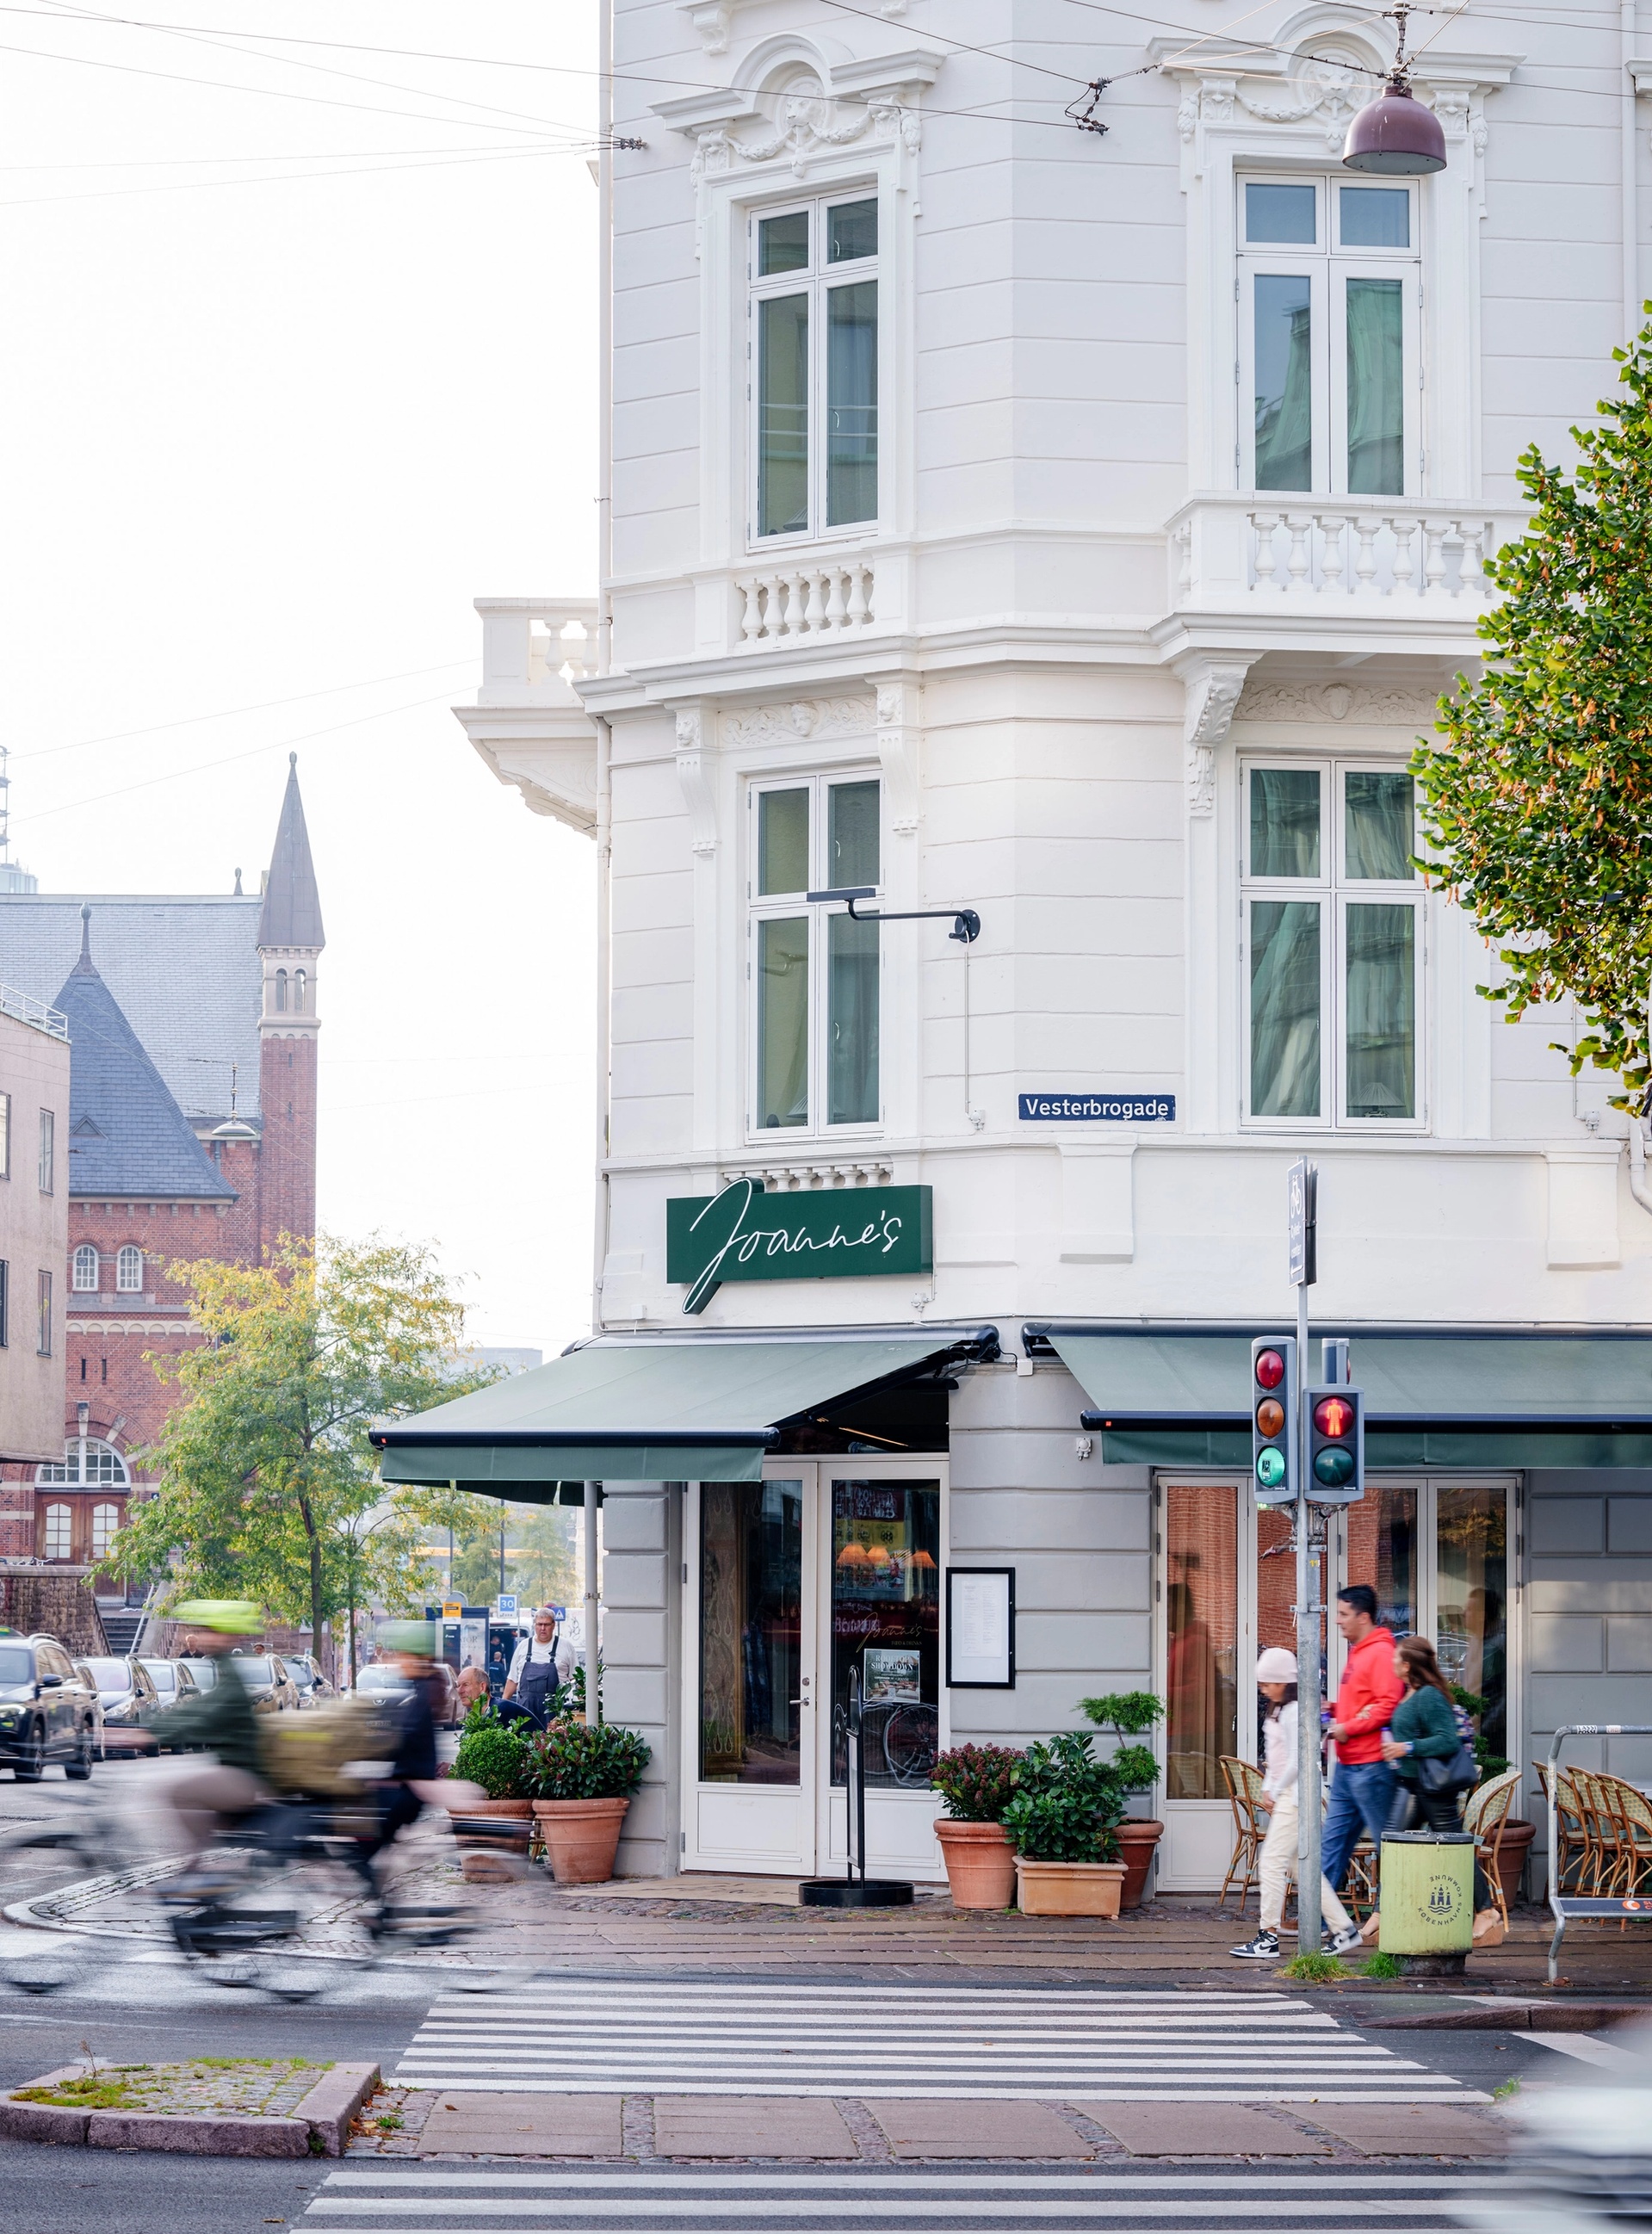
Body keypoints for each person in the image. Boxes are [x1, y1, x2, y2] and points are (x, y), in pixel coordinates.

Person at [1231, 1649, 1363, 1961]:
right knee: (1301, 1868)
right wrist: (1268, 1786)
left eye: (1268, 1682)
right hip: (1290, 1795)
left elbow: (1299, 1758)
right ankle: (1344, 1929)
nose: (1263, 1687)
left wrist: (1273, 1788)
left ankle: (1268, 1935)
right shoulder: (1281, 1710)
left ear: (1283, 1681)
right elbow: (1277, 1758)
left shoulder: (1293, 1712)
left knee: (1273, 1862)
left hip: (1295, 1797)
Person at [1380, 1633, 1502, 1943]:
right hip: (1412, 1785)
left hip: (1434, 1789)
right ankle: (1382, 1915)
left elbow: (1447, 1739)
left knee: (1457, 1849)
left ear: (1407, 1665)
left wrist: (1406, 1747)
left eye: (1396, 1657)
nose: (1392, 1660)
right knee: (1392, 1846)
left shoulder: (1430, 1696)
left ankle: (1487, 1911)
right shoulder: (1411, 1693)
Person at [149, 1600, 270, 1856]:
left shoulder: (230, 1678)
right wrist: (152, 1728)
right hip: (240, 1773)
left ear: (224, 1635)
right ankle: (199, 1869)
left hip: (245, 1777)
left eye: (208, 1630)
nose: (201, 1636)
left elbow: (204, 1717)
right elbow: (199, 1708)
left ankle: (202, 1868)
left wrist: (149, 1733)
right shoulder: (226, 1670)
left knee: (181, 1793)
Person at [1319, 1582, 1405, 1918]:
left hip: (1372, 1768)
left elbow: (1387, 1704)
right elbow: (1368, 1704)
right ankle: (1320, 1919)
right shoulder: (1359, 1650)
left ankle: (1395, 1918)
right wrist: (1338, 1709)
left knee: (1390, 1847)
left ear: (1364, 1616)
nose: (1338, 1620)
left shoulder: (1381, 1653)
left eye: (1343, 1614)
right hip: (1350, 1766)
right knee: (1333, 1845)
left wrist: (1347, 1727)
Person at [369, 1620, 443, 1858]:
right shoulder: (423, 1687)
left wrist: (374, 1749)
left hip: (411, 1787)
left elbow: (406, 1736)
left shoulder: (424, 1692)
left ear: (416, 1658)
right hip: (411, 1780)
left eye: (402, 1656)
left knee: (368, 1820)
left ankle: (367, 1869)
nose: (398, 1662)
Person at [503, 1607, 572, 1723]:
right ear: (535, 1625)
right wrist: (502, 1706)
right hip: (526, 1712)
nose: (543, 1628)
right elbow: (512, 1680)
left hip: (555, 1712)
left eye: (547, 1624)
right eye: (539, 1624)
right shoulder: (523, 1646)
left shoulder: (565, 1647)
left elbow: (575, 1679)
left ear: (553, 1625)